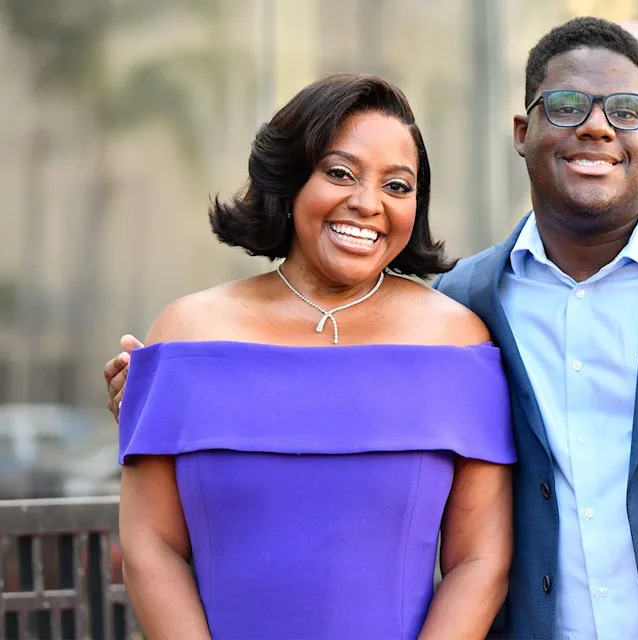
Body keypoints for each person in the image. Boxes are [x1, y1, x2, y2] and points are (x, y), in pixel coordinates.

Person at [107, 17, 638, 640]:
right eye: (568, 106)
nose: (599, 128)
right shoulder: (473, 299)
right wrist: (168, 395)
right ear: (523, 129)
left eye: (626, 110)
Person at [113, 73, 514, 640]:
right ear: (291, 177)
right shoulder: (186, 332)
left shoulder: (457, 340)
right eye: (340, 173)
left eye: (398, 186)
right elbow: (151, 546)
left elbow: (479, 562)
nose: (367, 203)